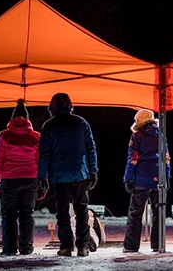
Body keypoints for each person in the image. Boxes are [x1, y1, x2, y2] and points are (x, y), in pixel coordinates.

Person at [38, 93, 99, 257]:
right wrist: (93, 171)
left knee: (63, 210)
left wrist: (42, 176)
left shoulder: (48, 126)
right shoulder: (81, 122)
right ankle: (83, 246)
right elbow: (90, 148)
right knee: (82, 209)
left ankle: (66, 246)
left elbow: (44, 154)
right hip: (80, 172)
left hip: (59, 174)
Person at [0, 99, 40, 255]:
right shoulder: (36, 136)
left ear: (12, 118)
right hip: (30, 179)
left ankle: (9, 249)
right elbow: (40, 161)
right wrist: (42, 181)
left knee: (9, 215)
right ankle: (26, 248)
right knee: (27, 213)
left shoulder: (4, 136)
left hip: (9, 180)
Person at [122, 109, 171, 253]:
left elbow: (133, 159)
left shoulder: (136, 136)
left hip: (141, 180)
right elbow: (166, 158)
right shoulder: (161, 135)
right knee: (158, 213)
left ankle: (131, 246)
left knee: (135, 213)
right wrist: (167, 176)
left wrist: (128, 178)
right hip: (158, 179)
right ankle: (157, 244)